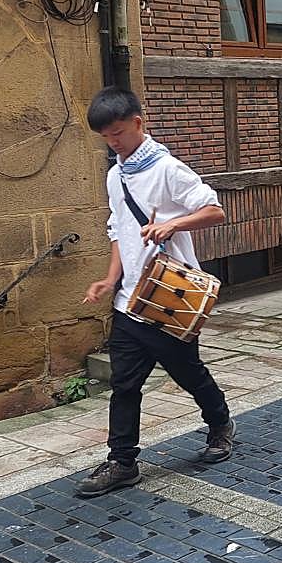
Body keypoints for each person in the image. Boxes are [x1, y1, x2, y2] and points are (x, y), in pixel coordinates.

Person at [78, 87, 235, 497]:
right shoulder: (115, 175)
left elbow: (215, 209)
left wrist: (173, 225)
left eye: (117, 133)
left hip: (171, 297)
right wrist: (110, 279)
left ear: (138, 123)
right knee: (124, 385)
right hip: (129, 300)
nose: (113, 142)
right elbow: (119, 232)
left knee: (188, 374)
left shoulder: (168, 169)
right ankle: (122, 461)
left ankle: (219, 422)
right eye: (105, 137)